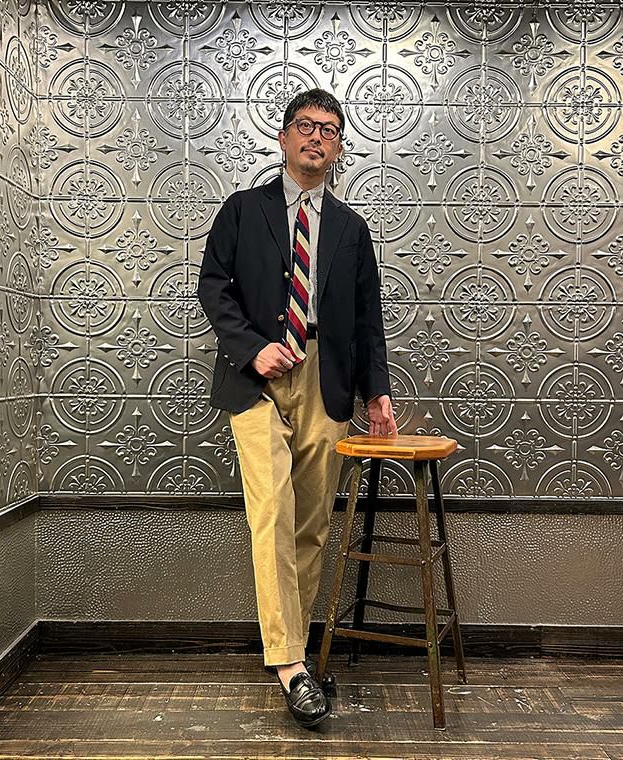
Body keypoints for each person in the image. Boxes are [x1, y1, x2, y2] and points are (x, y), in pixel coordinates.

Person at [197, 88, 396, 728]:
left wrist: (376, 392)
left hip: (325, 380)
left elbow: (367, 320)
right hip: (256, 378)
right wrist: (252, 348)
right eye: (306, 126)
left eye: (330, 130)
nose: (317, 137)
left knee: (311, 522)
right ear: (283, 139)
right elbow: (213, 288)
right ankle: (288, 663)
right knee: (271, 515)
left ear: (338, 150)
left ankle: (297, 653)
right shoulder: (241, 210)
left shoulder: (351, 229)